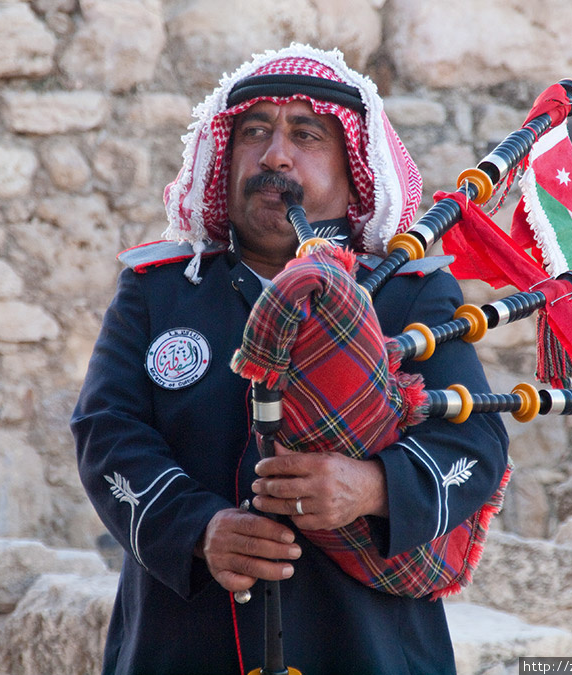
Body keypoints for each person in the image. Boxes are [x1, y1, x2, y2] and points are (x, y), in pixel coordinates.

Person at [71, 44, 509, 675]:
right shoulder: (160, 290)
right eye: (254, 132)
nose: (275, 155)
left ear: (353, 168)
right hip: (182, 643)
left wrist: (372, 487)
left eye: (306, 135)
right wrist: (200, 528)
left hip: (370, 647)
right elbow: (106, 432)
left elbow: (473, 443)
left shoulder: (410, 290)